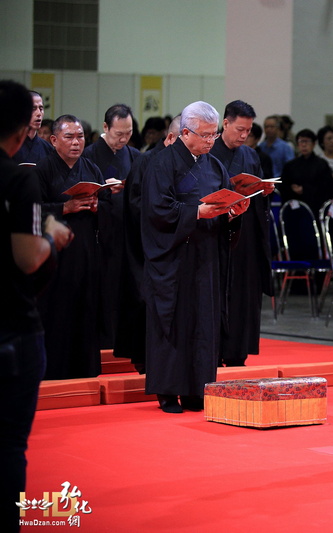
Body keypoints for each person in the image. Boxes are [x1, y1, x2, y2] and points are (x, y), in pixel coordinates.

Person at [141, 101, 250, 414]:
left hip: (205, 257)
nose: (209, 141)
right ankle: (167, 391)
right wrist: (195, 213)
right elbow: (156, 210)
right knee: (173, 322)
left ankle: (195, 390)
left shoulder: (215, 166)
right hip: (172, 257)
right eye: (204, 135)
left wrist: (233, 213)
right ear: (184, 132)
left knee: (203, 321)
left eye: (213, 135)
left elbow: (224, 201)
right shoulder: (162, 164)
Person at [0, 79, 72, 533]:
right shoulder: (18, 176)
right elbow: (27, 257)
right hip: (10, 327)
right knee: (8, 445)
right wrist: (52, 235)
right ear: (26, 127)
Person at [37, 115, 117, 380]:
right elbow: (31, 211)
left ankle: (85, 372)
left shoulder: (91, 168)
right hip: (54, 256)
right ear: (54, 140)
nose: (76, 142)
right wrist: (64, 207)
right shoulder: (43, 169)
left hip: (86, 253)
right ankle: (53, 373)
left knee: (86, 311)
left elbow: (108, 206)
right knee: (56, 314)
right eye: (69, 137)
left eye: (80, 136)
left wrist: (97, 207)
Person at [114, 116, 182, 372]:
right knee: (145, 302)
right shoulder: (146, 161)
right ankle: (145, 361)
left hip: (176, 246)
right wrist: (171, 215)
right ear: (172, 137)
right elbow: (136, 205)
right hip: (147, 247)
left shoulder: (186, 162)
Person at [210, 100, 274, 367]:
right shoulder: (208, 151)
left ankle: (237, 352)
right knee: (217, 293)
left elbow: (258, 199)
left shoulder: (250, 156)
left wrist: (263, 191)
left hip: (245, 236)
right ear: (225, 123)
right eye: (239, 129)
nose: (244, 135)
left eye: (248, 130)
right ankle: (213, 350)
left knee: (243, 295)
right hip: (216, 234)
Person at [83, 104, 140, 349]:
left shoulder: (135, 155)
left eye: (128, 133)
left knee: (128, 290)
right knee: (104, 290)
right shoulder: (88, 155)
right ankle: (103, 342)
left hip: (127, 232)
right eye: (119, 134)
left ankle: (125, 342)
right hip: (101, 233)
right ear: (105, 127)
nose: (124, 139)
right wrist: (103, 188)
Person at [280, 128, 333, 214]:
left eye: (307, 141)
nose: (304, 145)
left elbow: (326, 188)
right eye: (301, 141)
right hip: (295, 205)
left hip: (315, 206)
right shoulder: (290, 165)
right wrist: (292, 189)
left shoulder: (321, 164)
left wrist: (305, 189)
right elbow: (283, 185)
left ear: (313, 144)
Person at [12, 91, 55, 165]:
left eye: (41, 109)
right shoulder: (7, 146)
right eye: (33, 109)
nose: (39, 113)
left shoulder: (48, 148)